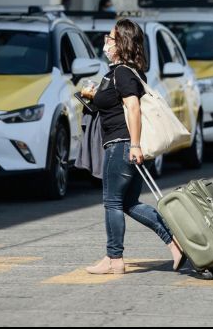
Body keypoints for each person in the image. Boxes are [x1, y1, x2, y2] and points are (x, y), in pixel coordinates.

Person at [80, 19, 185, 275]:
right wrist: (93, 96)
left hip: (122, 145)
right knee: (130, 203)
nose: (105, 42)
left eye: (110, 38)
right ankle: (175, 244)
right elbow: (115, 104)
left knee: (112, 202)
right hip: (127, 145)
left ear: (122, 43)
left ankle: (113, 258)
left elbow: (134, 108)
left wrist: (135, 145)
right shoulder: (121, 72)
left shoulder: (123, 73)